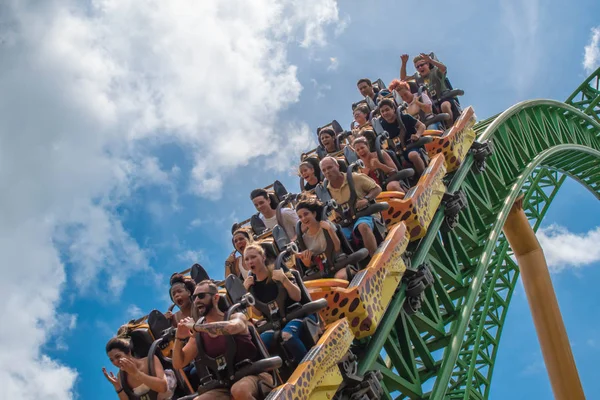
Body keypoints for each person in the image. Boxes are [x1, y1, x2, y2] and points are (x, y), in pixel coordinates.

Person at [172, 280, 273, 400]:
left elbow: (232, 327)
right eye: (194, 297)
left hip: (256, 374)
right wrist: (179, 338)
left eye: (201, 296)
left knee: (239, 390)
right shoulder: (199, 333)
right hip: (226, 385)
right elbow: (179, 363)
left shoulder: (235, 317)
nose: (197, 300)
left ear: (215, 298)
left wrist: (197, 327)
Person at [243, 244, 314, 363]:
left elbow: (297, 296)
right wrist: (248, 293)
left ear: (263, 258)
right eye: (247, 259)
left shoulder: (277, 272)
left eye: (253, 257)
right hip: (275, 323)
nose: (250, 261)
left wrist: (284, 280)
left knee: (287, 335)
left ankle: (310, 367)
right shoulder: (252, 285)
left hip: (296, 314)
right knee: (259, 347)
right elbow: (259, 312)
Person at [319, 157, 382, 256]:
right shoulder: (325, 192)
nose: (327, 172)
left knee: (362, 226)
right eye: (324, 170)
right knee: (333, 236)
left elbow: (377, 189)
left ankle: (375, 259)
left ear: (337, 166)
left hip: (365, 215)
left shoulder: (355, 178)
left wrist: (366, 199)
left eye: (330, 167)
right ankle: (352, 264)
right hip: (346, 223)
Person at [103, 336, 175, 400]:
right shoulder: (121, 376)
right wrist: (117, 387)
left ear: (128, 352)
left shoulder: (150, 361)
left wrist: (137, 374)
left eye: (118, 356)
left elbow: (163, 387)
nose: (115, 362)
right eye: (112, 360)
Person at [295, 196, 347, 279]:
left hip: (338, 263)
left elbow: (337, 247)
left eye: (306, 214)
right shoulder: (304, 239)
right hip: (322, 271)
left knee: (340, 277)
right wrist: (307, 263)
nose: (303, 218)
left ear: (314, 214)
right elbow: (311, 264)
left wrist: (330, 229)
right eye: (300, 217)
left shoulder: (326, 226)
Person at [400, 53, 454, 125]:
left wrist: (430, 60)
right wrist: (404, 63)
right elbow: (403, 79)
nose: (420, 68)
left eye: (422, 65)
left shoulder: (435, 71)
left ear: (427, 64)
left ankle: (451, 127)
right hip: (430, 105)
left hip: (443, 98)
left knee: (444, 106)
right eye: (417, 67)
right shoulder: (417, 77)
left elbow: (443, 68)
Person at [377, 98, 427, 175]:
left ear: (393, 109)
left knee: (413, 155)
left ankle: (424, 175)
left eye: (387, 110)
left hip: (411, 145)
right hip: (396, 153)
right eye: (382, 111)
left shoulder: (404, 117)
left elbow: (421, 126)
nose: (385, 113)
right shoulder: (382, 126)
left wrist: (417, 135)